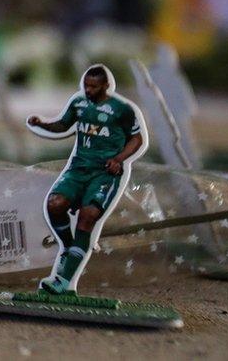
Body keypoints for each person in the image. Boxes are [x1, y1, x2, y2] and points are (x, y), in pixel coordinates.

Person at [27, 65, 146, 294]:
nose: (88, 90)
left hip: (104, 173)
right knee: (55, 204)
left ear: (105, 86)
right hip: (78, 168)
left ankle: (63, 280)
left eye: (93, 86)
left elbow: (137, 139)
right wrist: (41, 123)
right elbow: (63, 124)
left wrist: (119, 159)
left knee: (88, 215)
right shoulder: (79, 103)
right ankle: (69, 247)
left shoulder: (122, 109)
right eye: (86, 86)